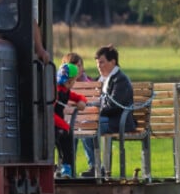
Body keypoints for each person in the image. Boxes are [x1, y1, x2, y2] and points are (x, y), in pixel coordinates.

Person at [81, 45, 136, 177]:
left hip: (118, 121)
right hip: (106, 119)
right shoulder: (101, 80)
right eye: (97, 63)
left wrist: (93, 112)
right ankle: (94, 166)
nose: (99, 66)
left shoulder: (120, 79)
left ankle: (97, 168)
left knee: (90, 125)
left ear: (113, 62)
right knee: (83, 125)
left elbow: (113, 106)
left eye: (102, 62)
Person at [54, 63, 88, 178]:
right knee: (63, 136)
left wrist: (82, 101)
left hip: (60, 125)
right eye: (74, 80)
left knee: (67, 140)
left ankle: (66, 168)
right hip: (52, 125)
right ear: (70, 80)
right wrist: (65, 126)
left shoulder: (65, 90)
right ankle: (59, 166)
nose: (74, 83)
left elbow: (79, 97)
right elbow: (50, 114)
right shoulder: (55, 91)